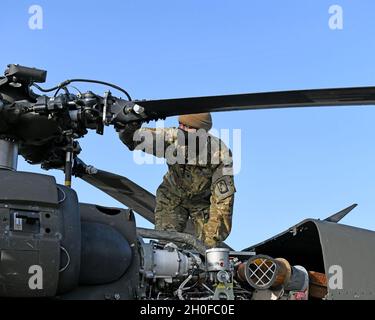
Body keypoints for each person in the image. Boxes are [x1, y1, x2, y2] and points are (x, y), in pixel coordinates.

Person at [119, 113, 235, 248]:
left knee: (207, 247)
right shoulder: (172, 137)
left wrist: (209, 243)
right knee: (165, 247)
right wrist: (127, 130)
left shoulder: (220, 153)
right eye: (180, 124)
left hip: (202, 202)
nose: (182, 129)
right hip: (172, 197)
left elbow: (223, 202)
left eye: (187, 127)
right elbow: (138, 139)